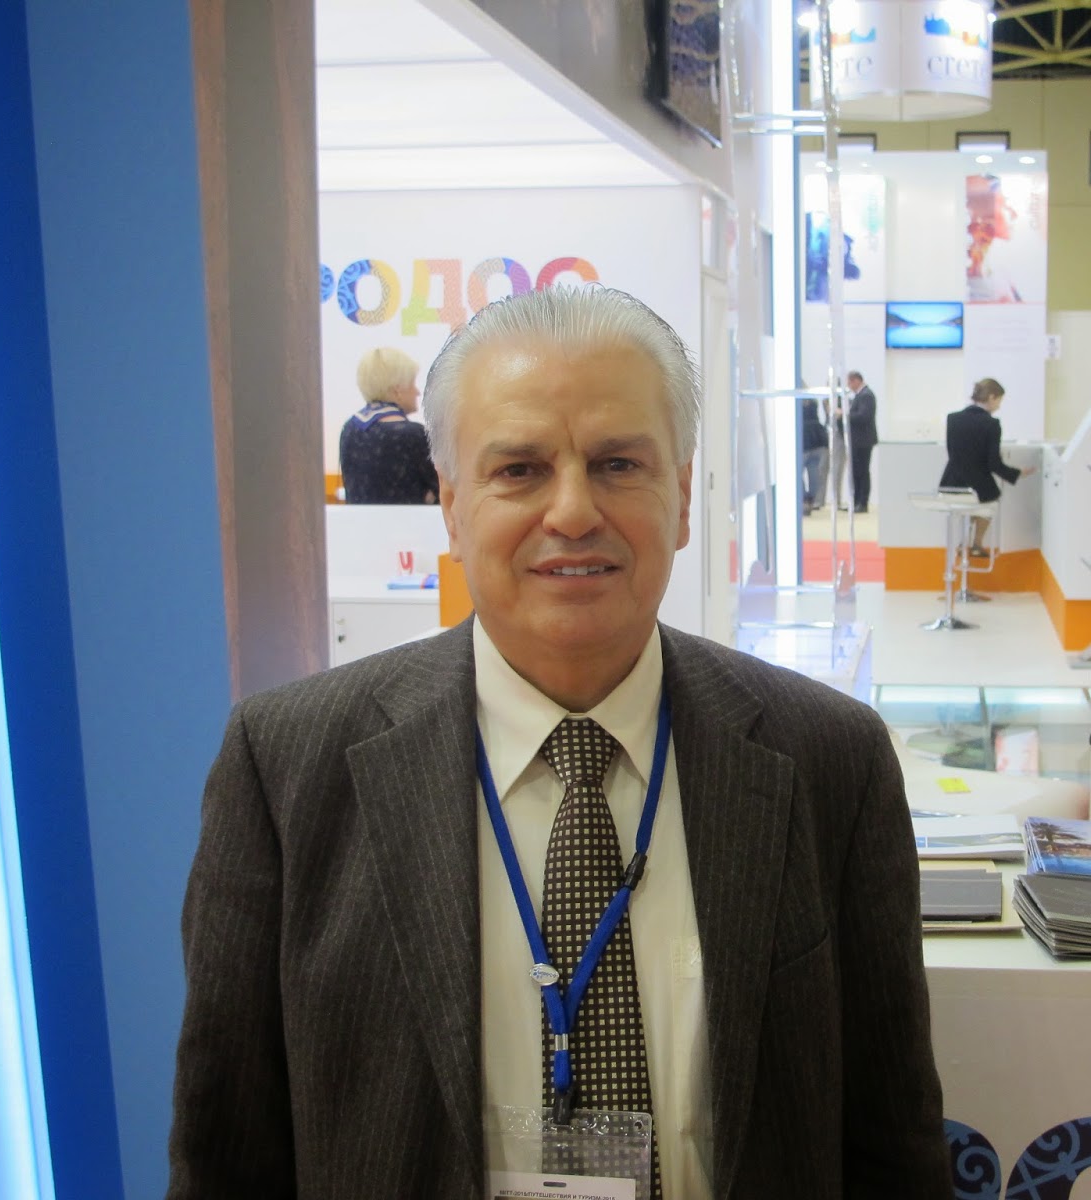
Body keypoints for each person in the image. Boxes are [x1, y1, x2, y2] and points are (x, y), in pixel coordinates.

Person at [168, 286, 948, 1199]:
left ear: (683, 498)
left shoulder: (831, 759)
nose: (573, 511)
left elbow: (893, 1143)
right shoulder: (286, 767)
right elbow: (228, 1159)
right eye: (520, 469)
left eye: (618, 463)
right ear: (451, 504)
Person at [338, 346, 440, 504]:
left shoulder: (349, 429)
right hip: (410, 520)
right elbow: (442, 492)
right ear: (397, 390)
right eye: (412, 383)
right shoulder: (413, 435)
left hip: (358, 520)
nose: (417, 392)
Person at [939, 377, 1022, 557]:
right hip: (977, 485)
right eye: (999, 400)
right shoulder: (992, 424)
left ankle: (963, 543)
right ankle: (976, 544)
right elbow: (994, 463)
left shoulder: (953, 418)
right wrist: (1016, 474)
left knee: (971, 505)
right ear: (991, 397)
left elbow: (953, 453)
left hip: (951, 484)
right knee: (990, 500)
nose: (999, 406)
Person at [844, 371, 878, 511]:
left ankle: (862, 503)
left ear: (856, 381)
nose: (848, 386)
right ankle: (856, 501)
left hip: (863, 441)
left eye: (849, 382)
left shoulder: (866, 395)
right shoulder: (860, 395)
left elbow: (864, 416)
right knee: (856, 472)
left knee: (862, 472)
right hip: (857, 441)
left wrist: (846, 415)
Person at [801, 395, 828, 516]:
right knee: (815, 474)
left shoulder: (796, 405)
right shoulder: (814, 402)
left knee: (796, 474)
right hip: (818, 440)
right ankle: (810, 499)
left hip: (804, 441)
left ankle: (804, 499)